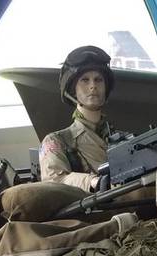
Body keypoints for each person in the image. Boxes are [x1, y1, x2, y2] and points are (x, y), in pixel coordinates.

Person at [39, 45, 118, 192]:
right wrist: (93, 181)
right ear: (72, 90)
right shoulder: (57, 141)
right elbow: (55, 179)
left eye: (99, 80)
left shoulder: (121, 140)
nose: (93, 86)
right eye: (85, 80)